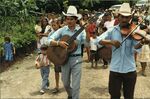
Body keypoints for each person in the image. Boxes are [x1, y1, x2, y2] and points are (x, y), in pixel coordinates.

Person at [96, 3, 149, 99]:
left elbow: (136, 48)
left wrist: (142, 42)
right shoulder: (112, 30)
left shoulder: (133, 31)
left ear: (130, 18)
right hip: (115, 70)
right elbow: (97, 40)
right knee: (114, 95)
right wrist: (111, 42)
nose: (124, 20)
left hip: (130, 70)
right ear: (118, 17)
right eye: (122, 17)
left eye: (127, 17)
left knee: (129, 96)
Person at [48, 5, 89, 99]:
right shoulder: (62, 30)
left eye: (71, 19)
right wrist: (59, 43)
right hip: (64, 59)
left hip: (77, 59)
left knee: (76, 85)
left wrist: (87, 33)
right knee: (65, 83)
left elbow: (87, 44)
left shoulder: (81, 31)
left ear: (76, 20)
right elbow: (49, 40)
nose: (69, 21)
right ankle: (70, 95)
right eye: (67, 19)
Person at [48, 19, 61, 93]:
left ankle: (68, 84)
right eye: (52, 25)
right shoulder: (51, 34)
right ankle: (57, 86)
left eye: (54, 25)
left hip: (63, 54)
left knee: (66, 70)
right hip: (56, 55)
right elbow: (49, 44)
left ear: (58, 25)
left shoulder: (62, 32)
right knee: (56, 71)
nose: (53, 26)